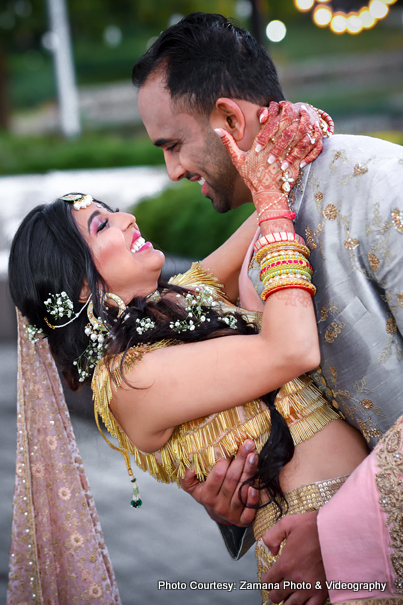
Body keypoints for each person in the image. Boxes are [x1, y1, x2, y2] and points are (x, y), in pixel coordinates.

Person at [8, 115, 367, 605]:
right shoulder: (131, 383)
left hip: (366, 500)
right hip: (316, 542)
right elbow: (292, 349)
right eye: (102, 224)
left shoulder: (180, 299)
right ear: (82, 286)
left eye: (112, 210)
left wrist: (292, 135)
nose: (127, 218)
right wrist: (271, 197)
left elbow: (271, 211)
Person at [131, 12, 403, 604]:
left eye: (174, 145)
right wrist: (240, 497)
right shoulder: (255, 242)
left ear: (229, 117)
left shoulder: (380, 188)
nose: (173, 171)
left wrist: (339, 534)